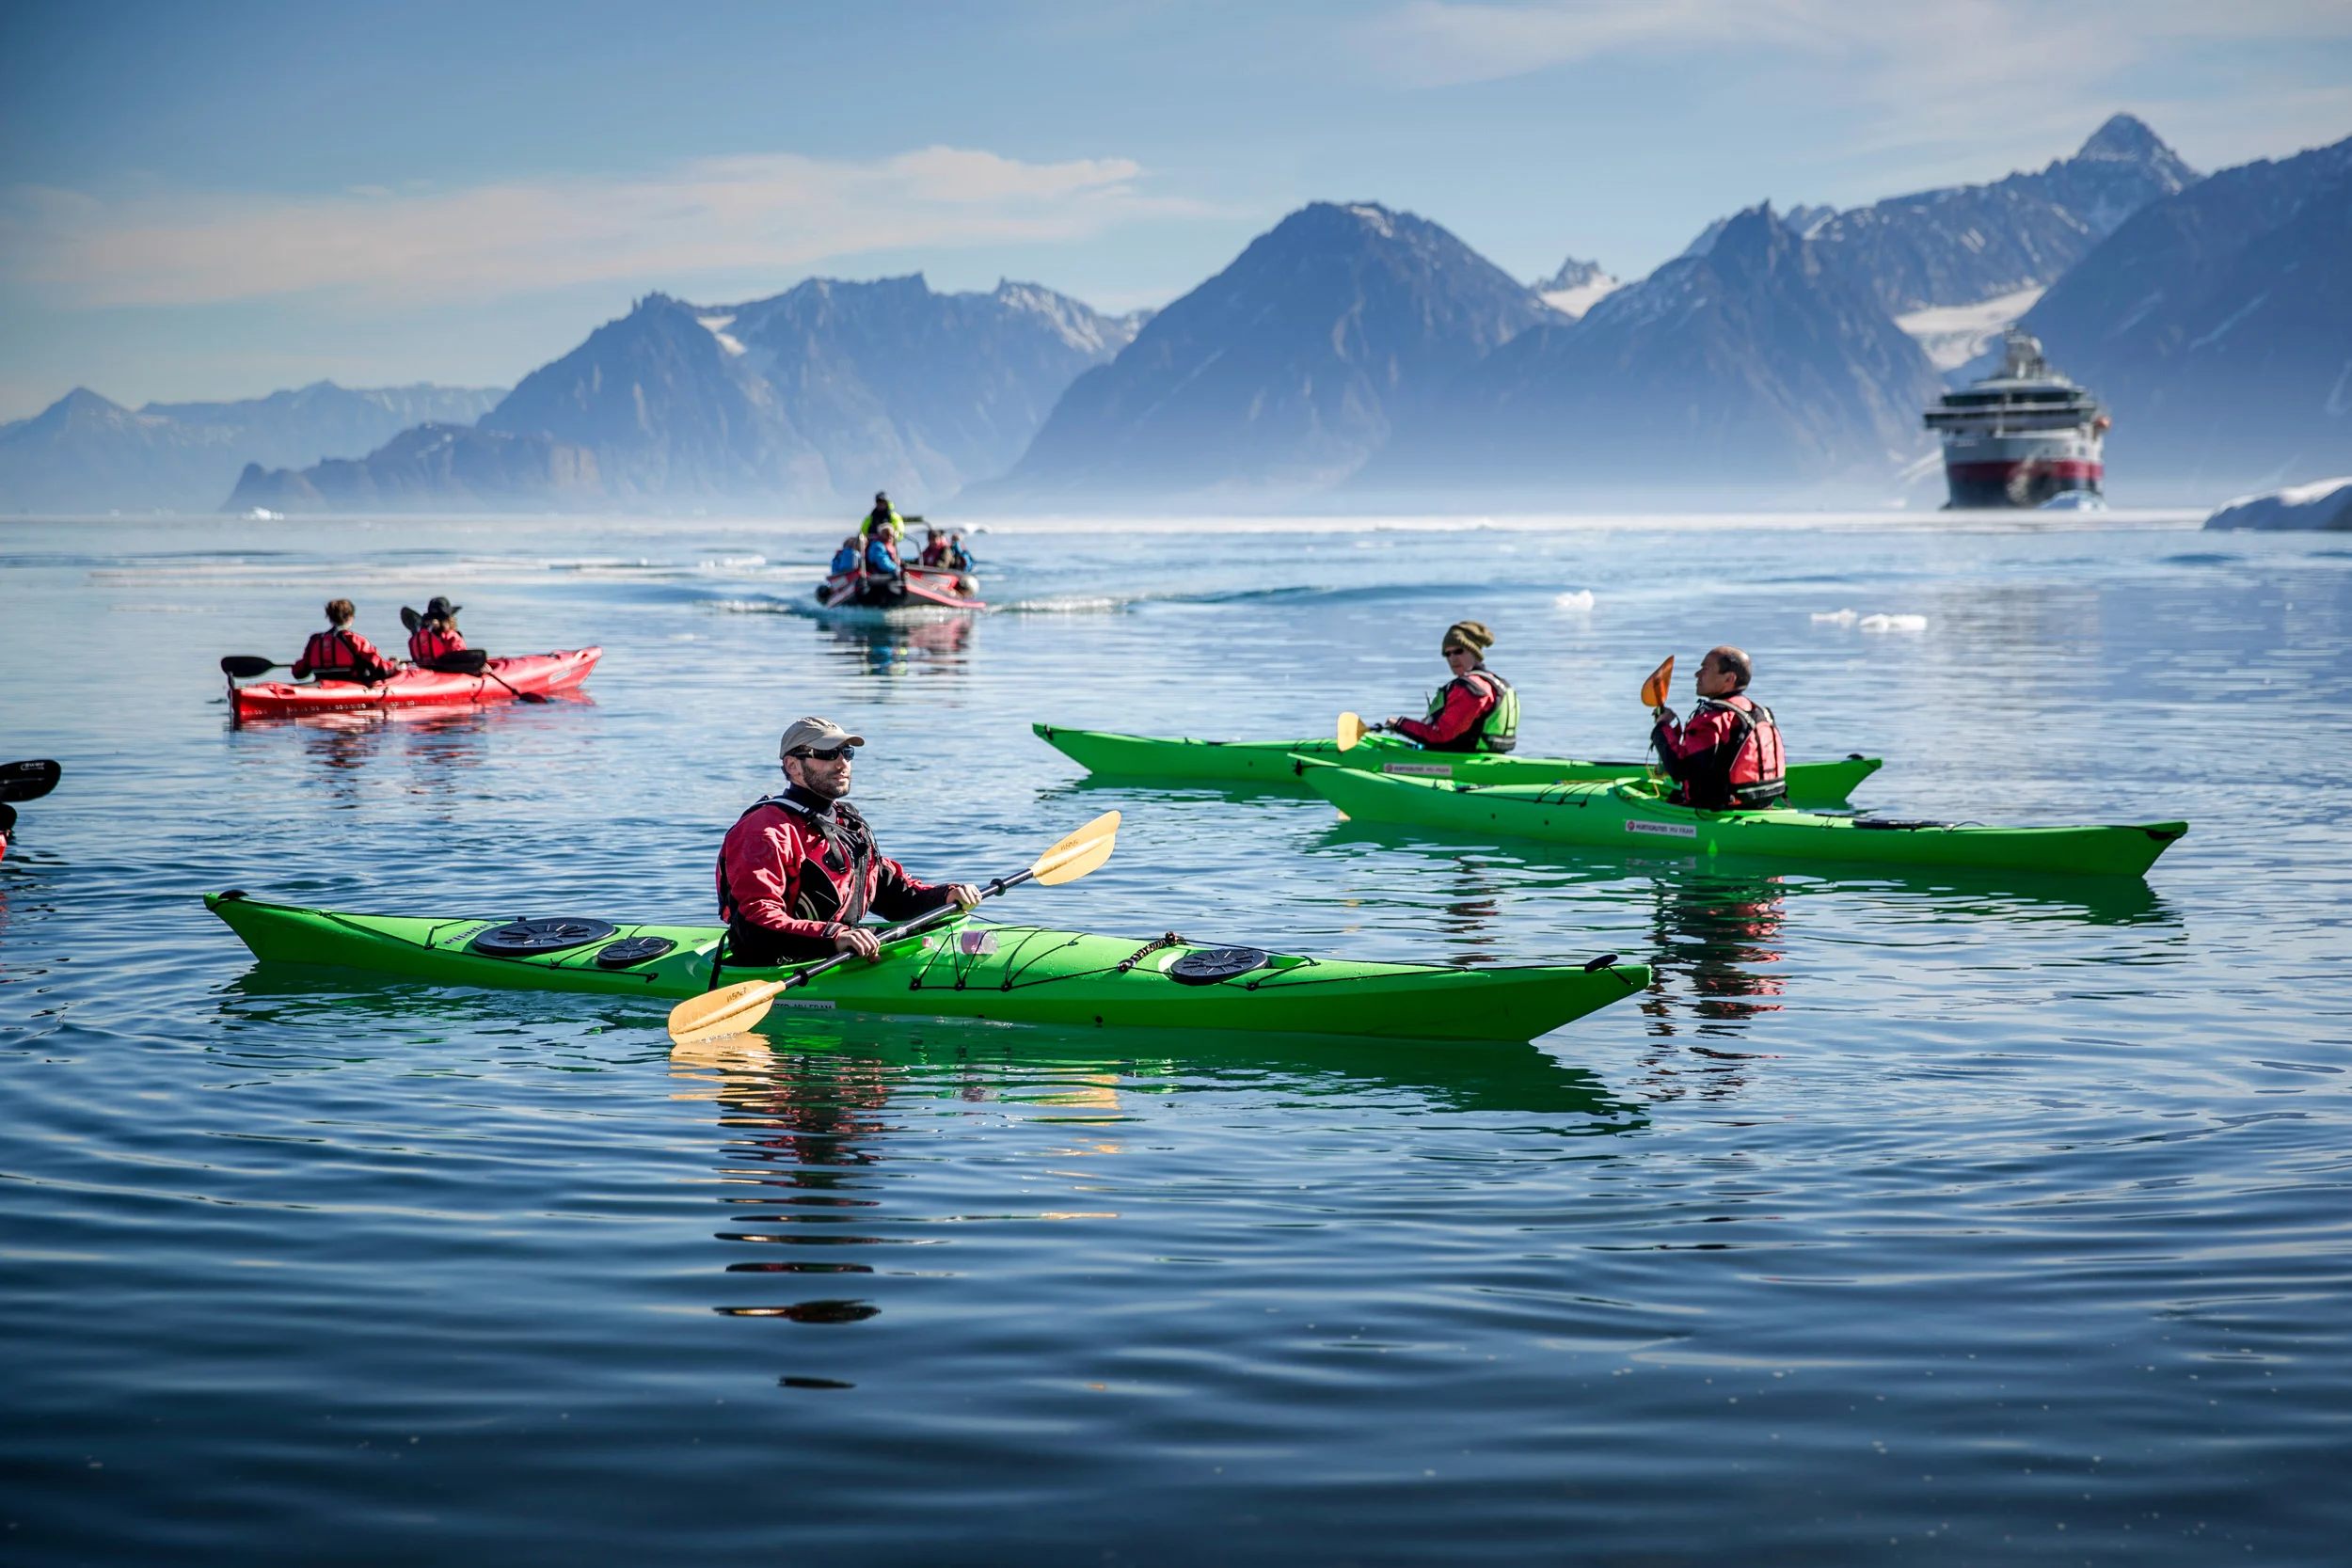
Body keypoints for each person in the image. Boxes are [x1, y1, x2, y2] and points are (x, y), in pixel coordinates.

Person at [716, 717, 982, 966]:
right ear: (792, 766)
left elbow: (890, 895)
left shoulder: (846, 822)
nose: (842, 763)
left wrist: (945, 896)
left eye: (847, 753)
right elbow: (755, 924)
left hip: (837, 952)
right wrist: (835, 937)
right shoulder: (764, 830)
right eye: (828, 754)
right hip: (776, 963)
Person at [1649, 645, 1787, 811]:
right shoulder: (1759, 712)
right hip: (1760, 804)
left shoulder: (1712, 719)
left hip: (1716, 810)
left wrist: (1662, 728)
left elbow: (1679, 768)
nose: (1697, 674)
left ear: (1729, 679)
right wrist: (1672, 728)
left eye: (1705, 669)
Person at [1382, 621, 1518, 753]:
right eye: (1447, 654)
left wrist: (1400, 724)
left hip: (1461, 762)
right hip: (1491, 757)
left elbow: (1440, 736)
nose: (1452, 658)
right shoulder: (1498, 684)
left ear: (1474, 652)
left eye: (1458, 651)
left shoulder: (1469, 688)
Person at [292, 599, 394, 684]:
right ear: (350, 617)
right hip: (352, 686)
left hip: (321, 685)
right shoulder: (355, 640)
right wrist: (394, 664)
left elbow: (299, 673)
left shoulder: (315, 640)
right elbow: (383, 670)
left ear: (330, 618)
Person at [406, 595, 468, 668]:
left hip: (426, 673)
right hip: (444, 673)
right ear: (449, 620)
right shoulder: (453, 638)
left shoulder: (419, 638)